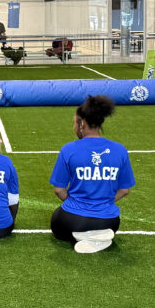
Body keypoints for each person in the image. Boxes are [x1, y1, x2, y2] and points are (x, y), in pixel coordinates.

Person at [49, 95, 135, 254]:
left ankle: (83, 236)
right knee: (101, 224)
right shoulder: (120, 150)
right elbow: (125, 190)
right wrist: (104, 202)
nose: (74, 127)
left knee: (57, 222)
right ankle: (95, 236)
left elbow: (59, 190)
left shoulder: (69, 149)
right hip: (109, 222)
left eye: (74, 123)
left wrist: (78, 203)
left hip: (73, 221)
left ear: (81, 123)